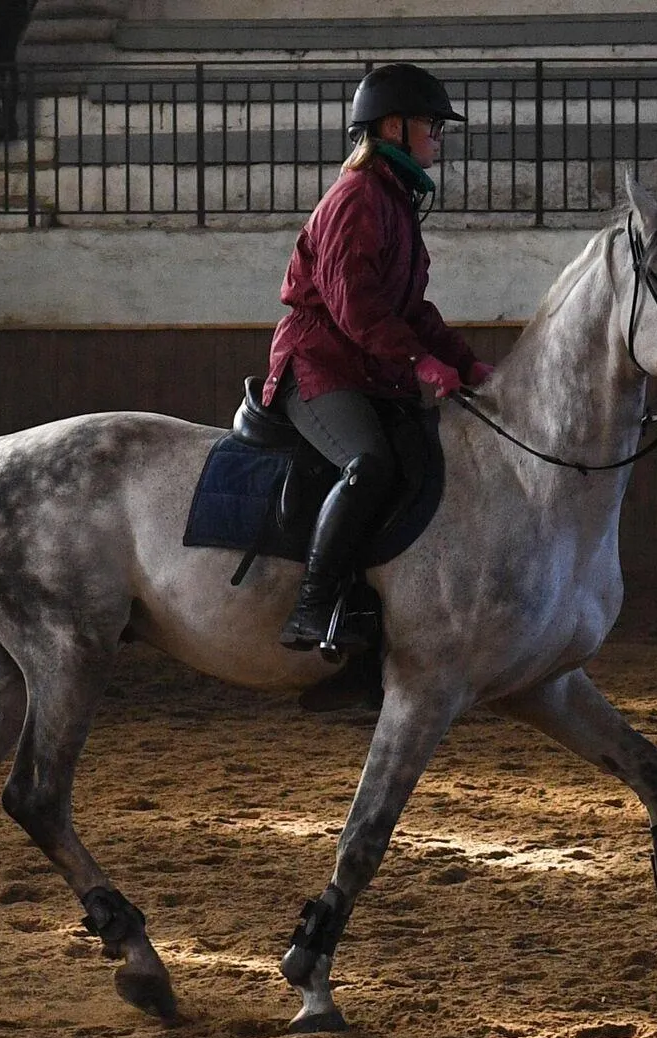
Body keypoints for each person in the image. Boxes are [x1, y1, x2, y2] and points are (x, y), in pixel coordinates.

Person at [261, 62, 494, 653]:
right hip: (319, 369)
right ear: (393, 128)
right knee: (370, 464)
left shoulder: (395, 203)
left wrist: (466, 365)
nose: (439, 136)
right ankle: (311, 608)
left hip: (368, 370)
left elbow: (412, 309)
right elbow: (355, 307)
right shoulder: (358, 198)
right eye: (431, 125)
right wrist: (419, 363)